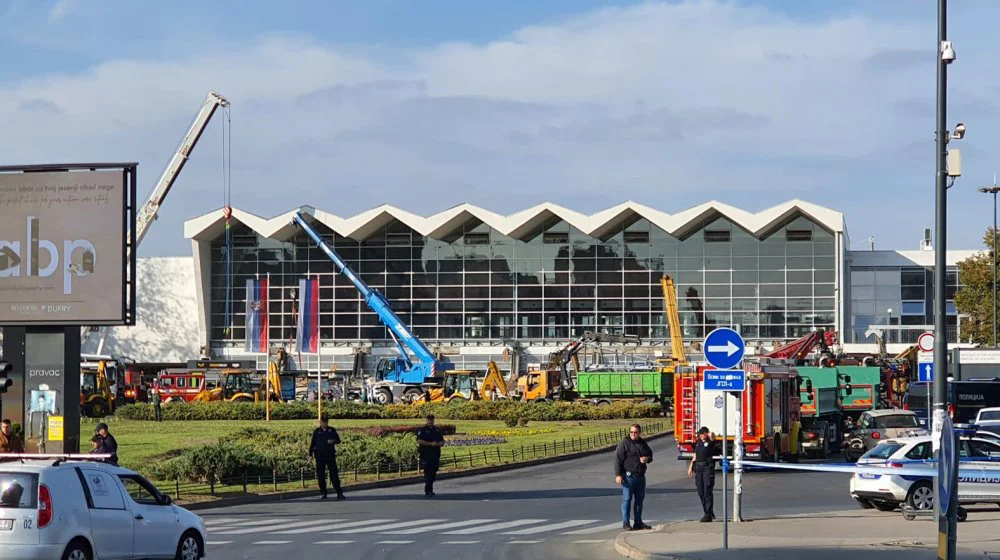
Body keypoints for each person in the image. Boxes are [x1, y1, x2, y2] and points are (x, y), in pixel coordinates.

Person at [615, 423, 653, 531]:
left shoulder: (642, 443)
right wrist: (618, 475)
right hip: (628, 477)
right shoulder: (624, 443)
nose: (633, 434)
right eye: (631, 432)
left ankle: (638, 522)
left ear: (639, 433)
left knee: (639, 500)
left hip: (640, 477)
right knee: (627, 499)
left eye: (635, 432)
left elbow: (650, 455)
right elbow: (618, 459)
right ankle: (626, 523)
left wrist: (646, 459)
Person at [309, 416, 344, 500]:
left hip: (330, 455)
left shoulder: (331, 430)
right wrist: (310, 453)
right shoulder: (317, 431)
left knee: (334, 474)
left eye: (326, 422)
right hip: (320, 456)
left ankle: (339, 492)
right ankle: (323, 492)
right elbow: (313, 443)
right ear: (320, 422)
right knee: (320, 475)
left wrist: (333, 441)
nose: (325, 423)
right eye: (323, 422)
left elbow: (338, 440)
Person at [688, 427, 718, 522]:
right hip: (698, 468)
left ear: (707, 433)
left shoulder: (711, 443)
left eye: (703, 433)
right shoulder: (699, 443)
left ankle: (708, 514)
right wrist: (691, 466)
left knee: (707, 491)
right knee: (701, 492)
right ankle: (708, 511)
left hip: (707, 468)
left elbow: (713, 437)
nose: (701, 435)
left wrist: (711, 436)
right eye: (700, 434)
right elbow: (695, 455)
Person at [415, 414, 445, 497]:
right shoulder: (422, 430)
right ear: (426, 420)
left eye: (432, 419)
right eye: (429, 419)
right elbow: (419, 441)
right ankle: (428, 490)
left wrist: (438, 444)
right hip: (426, 453)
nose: (430, 421)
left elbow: (442, 441)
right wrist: (430, 444)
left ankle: (430, 488)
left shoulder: (437, 430)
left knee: (434, 471)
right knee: (428, 471)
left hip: (435, 453)